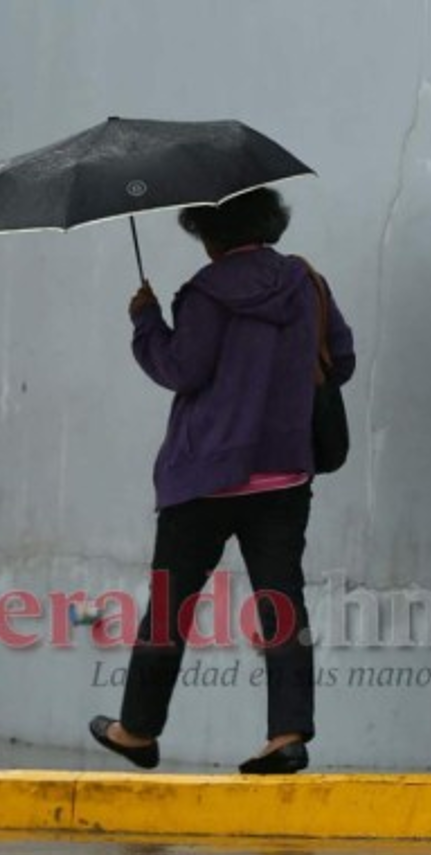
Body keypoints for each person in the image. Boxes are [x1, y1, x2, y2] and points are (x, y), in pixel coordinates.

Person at [88, 188, 355, 774]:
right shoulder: (305, 281)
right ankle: (287, 735)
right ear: (267, 225)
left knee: (170, 607)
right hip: (284, 473)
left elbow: (181, 369)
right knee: (282, 605)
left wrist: (145, 321)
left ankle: (137, 731)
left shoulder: (205, 294)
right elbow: (343, 360)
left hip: (205, 477)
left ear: (209, 234)